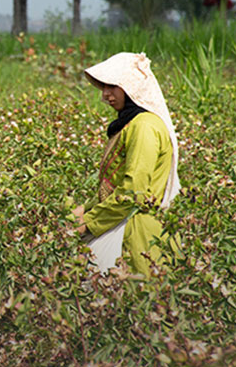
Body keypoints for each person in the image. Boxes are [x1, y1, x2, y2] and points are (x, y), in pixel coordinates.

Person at [72, 52, 180, 276]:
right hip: (122, 221)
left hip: (135, 233)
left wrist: (88, 223)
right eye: (103, 87)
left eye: (112, 87)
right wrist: (86, 208)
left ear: (131, 88)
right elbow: (116, 186)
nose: (105, 95)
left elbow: (133, 193)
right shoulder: (133, 123)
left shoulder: (144, 127)